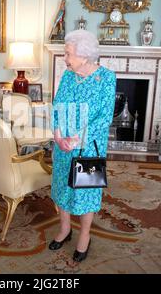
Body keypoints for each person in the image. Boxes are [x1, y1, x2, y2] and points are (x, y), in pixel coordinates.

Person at [50, 29, 116, 262]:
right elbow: (57, 106)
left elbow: (104, 117)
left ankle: (85, 234)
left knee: (86, 191)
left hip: (89, 147)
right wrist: (58, 135)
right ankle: (65, 229)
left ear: (84, 54)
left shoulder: (106, 78)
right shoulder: (68, 75)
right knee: (62, 187)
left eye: (68, 53)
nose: (65, 58)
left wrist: (77, 139)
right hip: (63, 146)